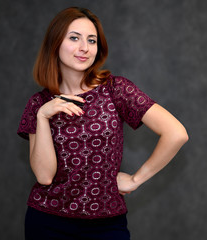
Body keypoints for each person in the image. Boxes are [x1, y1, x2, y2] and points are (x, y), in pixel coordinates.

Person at [17, 7, 188, 240]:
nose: (84, 48)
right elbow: (45, 177)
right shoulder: (38, 103)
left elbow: (176, 133)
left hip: (106, 225)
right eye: (74, 38)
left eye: (92, 40)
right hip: (48, 222)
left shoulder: (115, 89)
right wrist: (42, 117)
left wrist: (136, 179)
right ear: (55, 44)